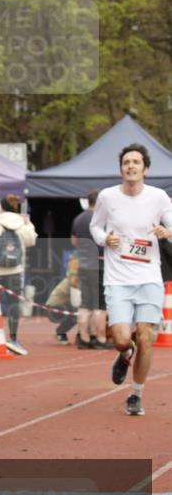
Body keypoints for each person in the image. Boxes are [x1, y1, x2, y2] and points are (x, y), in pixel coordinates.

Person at [90, 143, 172, 416]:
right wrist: (105, 239)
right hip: (118, 279)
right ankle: (125, 353)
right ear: (121, 169)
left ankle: (136, 394)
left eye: (136, 162)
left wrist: (165, 231)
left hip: (149, 276)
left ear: (145, 169)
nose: (131, 166)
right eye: (126, 162)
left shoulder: (159, 197)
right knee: (122, 338)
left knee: (147, 337)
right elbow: (95, 226)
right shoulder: (107, 197)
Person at [0, 197, 37, 355]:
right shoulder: (22, 225)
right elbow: (31, 241)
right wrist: (28, 223)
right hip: (15, 270)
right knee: (14, 306)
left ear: (0, 207)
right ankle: (13, 338)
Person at [72, 190, 109, 349]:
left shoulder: (78, 218)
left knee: (85, 303)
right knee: (101, 304)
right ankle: (99, 338)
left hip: (84, 264)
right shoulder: (104, 219)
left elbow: (74, 241)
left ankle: (84, 338)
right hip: (101, 264)